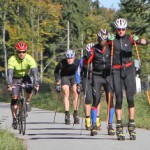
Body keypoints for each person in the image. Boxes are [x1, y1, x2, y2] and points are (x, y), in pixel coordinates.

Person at [109, 18, 148, 140]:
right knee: (119, 98)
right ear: (116, 30)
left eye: (123, 29)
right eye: (119, 29)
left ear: (126, 29)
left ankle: (131, 125)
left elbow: (145, 42)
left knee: (130, 97)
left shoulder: (130, 38)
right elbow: (102, 44)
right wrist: (106, 39)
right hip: (116, 70)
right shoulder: (113, 39)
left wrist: (140, 40)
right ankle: (119, 126)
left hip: (129, 69)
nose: (121, 31)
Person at [88, 29, 115, 136]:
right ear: (98, 39)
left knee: (110, 101)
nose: (102, 41)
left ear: (107, 39)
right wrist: (88, 56)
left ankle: (110, 125)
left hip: (108, 75)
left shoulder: (111, 47)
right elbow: (87, 61)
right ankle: (94, 124)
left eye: (104, 39)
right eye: (100, 39)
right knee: (96, 99)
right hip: (97, 75)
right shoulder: (94, 49)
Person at [7, 41, 39, 129]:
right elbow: (9, 74)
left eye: (23, 52)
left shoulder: (29, 59)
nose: (21, 54)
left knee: (30, 87)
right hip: (15, 78)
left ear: (26, 51)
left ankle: (27, 102)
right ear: (16, 51)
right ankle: (14, 119)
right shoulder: (12, 59)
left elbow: (35, 73)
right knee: (14, 98)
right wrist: (10, 84)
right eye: (19, 52)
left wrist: (36, 84)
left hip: (25, 77)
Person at [75, 43, 101, 130]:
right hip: (86, 79)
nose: (90, 53)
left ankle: (97, 119)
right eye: (88, 52)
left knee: (97, 99)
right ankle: (87, 119)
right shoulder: (83, 60)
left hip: (96, 79)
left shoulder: (98, 59)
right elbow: (78, 72)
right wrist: (78, 83)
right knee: (88, 99)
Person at [54, 49, 79, 125]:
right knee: (66, 92)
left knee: (75, 92)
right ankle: (67, 114)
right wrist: (58, 83)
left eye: (71, 58)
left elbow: (81, 71)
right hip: (64, 76)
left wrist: (80, 82)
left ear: (74, 58)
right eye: (68, 58)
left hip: (74, 76)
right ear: (66, 58)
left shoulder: (77, 62)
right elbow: (56, 72)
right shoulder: (62, 63)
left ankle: (75, 113)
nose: (69, 60)